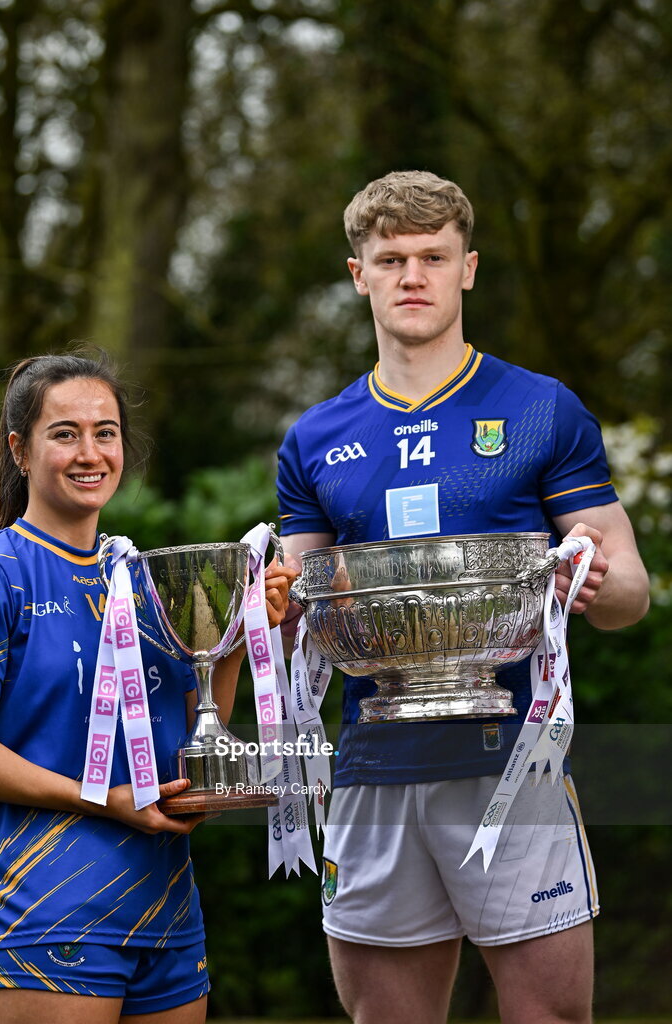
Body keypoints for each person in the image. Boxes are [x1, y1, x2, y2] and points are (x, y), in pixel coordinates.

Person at [276, 171, 649, 1024]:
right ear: (357, 274)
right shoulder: (316, 436)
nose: (414, 275)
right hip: (374, 766)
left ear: (468, 268)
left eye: (434, 256)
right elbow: (300, 601)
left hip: (510, 761)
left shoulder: (540, 408)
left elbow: (631, 590)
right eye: (392, 257)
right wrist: (268, 599)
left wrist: (596, 580)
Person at [0, 351, 294, 1024]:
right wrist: (101, 798)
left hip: (168, 912)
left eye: (106, 432)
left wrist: (241, 632)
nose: (89, 452)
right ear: (20, 449)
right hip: (45, 912)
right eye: (64, 433)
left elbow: (196, 726)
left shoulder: (142, 578)